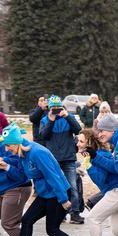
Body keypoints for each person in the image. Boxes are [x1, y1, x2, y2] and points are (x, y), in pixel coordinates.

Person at [0, 124, 90, 236]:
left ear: (16, 143)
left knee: (52, 229)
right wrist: (6, 166)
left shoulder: (37, 153)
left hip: (59, 192)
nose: (7, 149)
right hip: (46, 193)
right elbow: (22, 175)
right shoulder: (23, 154)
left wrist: (63, 199)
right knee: (27, 220)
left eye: (8, 146)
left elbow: (53, 176)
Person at [39, 95, 84, 224]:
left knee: (72, 187)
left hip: (69, 158)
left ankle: (75, 213)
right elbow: (44, 136)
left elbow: (78, 129)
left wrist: (67, 116)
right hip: (53, 159)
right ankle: (60, 213)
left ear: (62, 106)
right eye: (53, 108)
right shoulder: (45, 120)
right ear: (49, 108)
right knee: (57, 186)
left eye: (58, 107)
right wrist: (51, 120)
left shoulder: (68, 117)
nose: (55, 110)